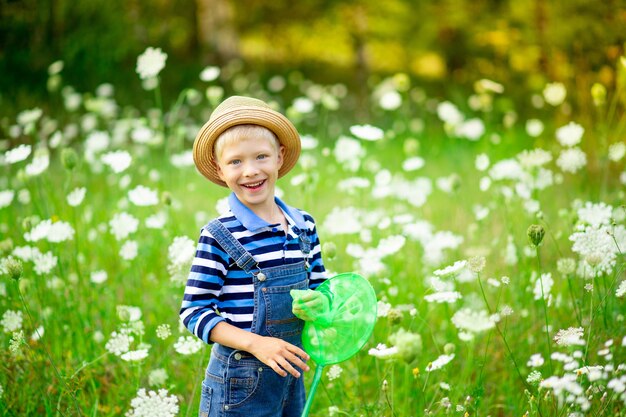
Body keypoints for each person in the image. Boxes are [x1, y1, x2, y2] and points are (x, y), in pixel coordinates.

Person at [180, 96, 328, 417]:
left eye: (261, 156)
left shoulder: (303, 226)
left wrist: (320, 304)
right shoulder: (220, 235)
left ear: (279, 157)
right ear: (220, 169)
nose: (250, 171)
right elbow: (193, 311)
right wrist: (256, 344)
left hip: (290, 374)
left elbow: (321, 287)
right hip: (239, 385)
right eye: (235, 162)